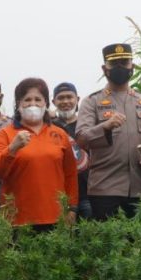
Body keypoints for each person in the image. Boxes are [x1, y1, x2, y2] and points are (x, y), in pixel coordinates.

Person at [76, 43, 141, 220]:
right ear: (104, 68)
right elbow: (81, 139)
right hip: (105, 190)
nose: (119, 68)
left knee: (140, 244)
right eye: (114, 64)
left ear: (133, 66)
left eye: (124, 63)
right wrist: (105, 126)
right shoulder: (92, 101)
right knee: (108, 245)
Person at [0, 78, 78, 229]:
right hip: (17, 219)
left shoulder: (60, 134)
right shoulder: (5, 134)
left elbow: (70, 174)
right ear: (18, 104)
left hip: (56, 217)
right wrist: (12, 148)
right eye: (27, 100)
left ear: (46, 104)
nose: (33, 104)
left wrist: (72, 208)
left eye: (38, 99)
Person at [52, 82, 92, 219]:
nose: (65, 101)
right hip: (61, 194)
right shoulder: (49, 127)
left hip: (87, 192)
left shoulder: (88, 124)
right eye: (61, 98)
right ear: (53, 102)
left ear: (77, 99)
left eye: (69, 97)